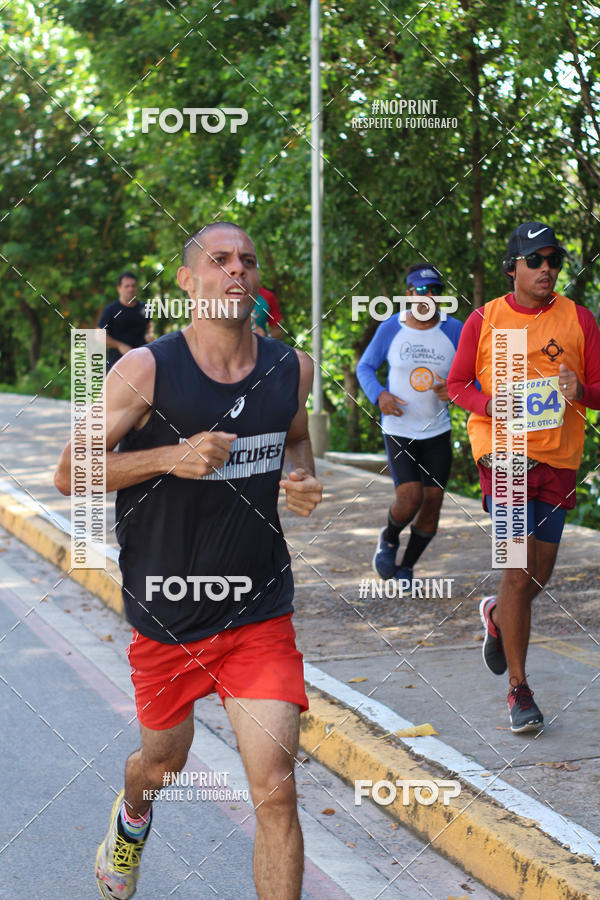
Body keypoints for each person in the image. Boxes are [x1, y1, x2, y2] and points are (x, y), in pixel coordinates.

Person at [55, 222, 323, 899]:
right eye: (220, 259)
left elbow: (295, 438)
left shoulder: (291, 367)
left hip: (259, 607)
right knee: (162, 764)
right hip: (169, 612)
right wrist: (168, 458)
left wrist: (301, 477)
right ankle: (133, 815)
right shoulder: (146, 370)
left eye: (248, 260)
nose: (237, 269)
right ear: (186, 280)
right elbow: (69, 471)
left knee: (277, 790)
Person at [447, 222, 600, 733]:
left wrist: (582, 388)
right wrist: (489, 405)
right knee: (517, 572)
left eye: (553, 260)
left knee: (537, 575)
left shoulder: (579, 319)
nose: (547, 269)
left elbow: (598, 388)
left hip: (558, 460)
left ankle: (495, 617)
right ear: (512, 266)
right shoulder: (484, 319)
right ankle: (519, 691)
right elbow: (455, 384)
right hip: (505, 455)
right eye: (535, 260)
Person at [356, 264, 462, 584]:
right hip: (399, 430)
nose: (428, 297)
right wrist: (380, 395)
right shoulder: (392, 327)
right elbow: (365, 367)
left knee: (432, 504)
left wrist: (455, 389)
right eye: (422, 291)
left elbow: (474, 376)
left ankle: (408, 567)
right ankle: (389, 537)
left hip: (438, 430)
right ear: (408, 294)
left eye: (435, 292)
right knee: (410, 498)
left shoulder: (454, 329)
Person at [98, 271, 153, 370]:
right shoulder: (111, 310)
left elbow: (149, 326)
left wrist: (150, 335)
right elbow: (99, 335)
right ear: (119, 289)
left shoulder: (145, 308)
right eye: (127, 286)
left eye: (133, 286)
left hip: (141, 362)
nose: (131, 289)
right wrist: (119, 345)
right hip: (117, 364)